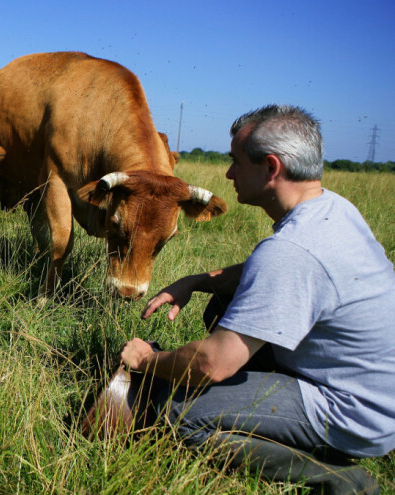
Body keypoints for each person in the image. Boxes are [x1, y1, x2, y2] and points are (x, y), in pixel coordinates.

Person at [117, 105, 395, 493]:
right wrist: (196, 282)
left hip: (352, 415)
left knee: (179, 412)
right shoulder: (332, 208)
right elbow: (266, 274)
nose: (229, 174)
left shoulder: (290, 249)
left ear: (270, 167)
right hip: (374, 393)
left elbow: (211, 364)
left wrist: (147, 360)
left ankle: (340, 479)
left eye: (236, 162)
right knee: (223, 303)